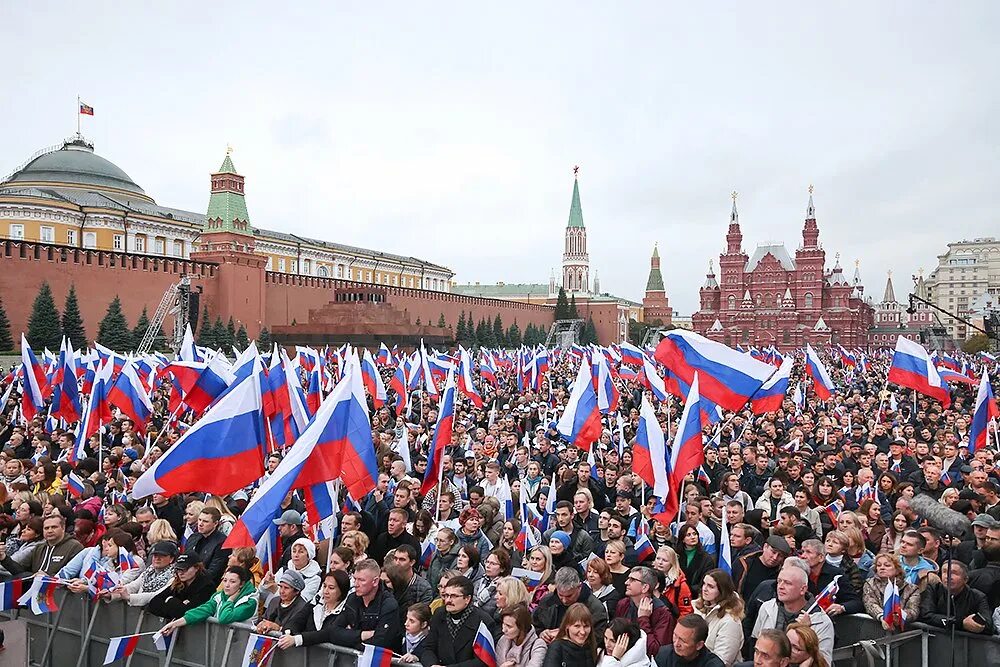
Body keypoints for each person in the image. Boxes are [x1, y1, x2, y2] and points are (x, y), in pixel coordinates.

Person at [287, 558, 401, 650]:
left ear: (375, 581)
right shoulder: (353, 598)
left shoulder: (389, 605)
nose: (356, 584)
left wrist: (349, 639)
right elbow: (333, 631)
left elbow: (379, 643)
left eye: (361, 580)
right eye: (355, 579)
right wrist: (362, 635)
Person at [751, 564, 834, 666]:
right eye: (779, 581)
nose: (780, 586)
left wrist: (806, 631)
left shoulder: (822, 621)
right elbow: (755, 642)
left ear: (803, 589)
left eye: (787, 583)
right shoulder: (767, 608)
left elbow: (823, 663)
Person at [421, 574, 498, 667]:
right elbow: (428, 647)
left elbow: (483, 661)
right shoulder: (439, 614)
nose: (448, 600)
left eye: (453, 596)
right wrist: (432, 665)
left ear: (467, 599)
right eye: (446, 595)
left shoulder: (483, 622)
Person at [158, 566, 257, 636]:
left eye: (232, 582)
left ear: (242, 584)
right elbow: (202, 610)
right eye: (225, 580)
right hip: (220, 643)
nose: (226, 585)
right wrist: (174, 624)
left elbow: (225, 618)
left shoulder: (250, 601)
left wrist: (230, 600)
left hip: (240, 648)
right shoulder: (219, 595)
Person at [534, 567, 609, 645]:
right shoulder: (547, 601)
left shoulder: (595, 607)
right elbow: (535, 625)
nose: (564, 600)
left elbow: (597, 638)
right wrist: (542, 633)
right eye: (561, 595)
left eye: (569, 596)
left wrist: (566, 637)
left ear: (579, 587)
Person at [918, 559, 993, 633]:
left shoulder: (978, 597)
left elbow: (989, 625)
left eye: (954, 573)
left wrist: (978, 626)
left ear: (965, 579)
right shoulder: (933, 589)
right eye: (944, 572)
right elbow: (926, 615)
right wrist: (960, 623)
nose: (947, 576)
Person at [614, 565, 674, 657]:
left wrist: (643, 619)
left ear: (645, 587)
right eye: (628, 579)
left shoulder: (663, 614)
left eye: (632, 580)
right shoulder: (623, 604)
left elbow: (656, 651)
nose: (626, 582)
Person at [0, 513, 82, 576]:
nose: (49, 531)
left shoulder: (75, 547)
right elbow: (20, 571)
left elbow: (75, 575)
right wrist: (4, 558)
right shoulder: (39, 547)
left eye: (54, 527)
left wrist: (48, 578)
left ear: (63, 528)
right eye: (46, 528)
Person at [692, 569, 744, 667]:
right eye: (704, 584)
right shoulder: (696, 607)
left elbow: (723, 661)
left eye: (711, 586)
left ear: (722, 591)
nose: (704, 589)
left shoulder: (731, 622)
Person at [146, 552, 216, 619]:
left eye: (185, 569)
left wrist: (170, 600)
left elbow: (186, 613)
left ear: (196, 568)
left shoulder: (207, 586)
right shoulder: (178, 583)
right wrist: (175, 607)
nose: (180, 573)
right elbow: (153, 603)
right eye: (178, 569)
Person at [862, 554, 920, 630]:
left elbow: (913, 610)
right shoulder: (869, 584)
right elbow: (870, 604)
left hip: (903, 631)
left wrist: (899, 616)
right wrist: (883, 617)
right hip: (875, 629)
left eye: (887, 565)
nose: (882, 568)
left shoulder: (912, 589)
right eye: (879, 565)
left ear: (897, 569)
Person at [653, 614, 725, 667]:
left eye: (683, 640)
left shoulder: (713, 665)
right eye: (675, 635)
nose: (676, 644)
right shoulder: (664, 654)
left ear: (699, 645)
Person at [541, 602, 599, 667]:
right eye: (577, 626)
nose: (582, 632)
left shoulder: (591, 647)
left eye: (586, 626)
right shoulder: (557, 647)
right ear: (567, 626)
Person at [256, 570, 312, 635]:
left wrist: (278, 628)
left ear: (297, 591)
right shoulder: (274, 601)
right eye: (280, 586)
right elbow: (263, 619)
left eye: (286, 588)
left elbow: (296, 631)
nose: (282, 591)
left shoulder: (302, 608)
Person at [184, 507, 231, 583]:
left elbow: (214, 571)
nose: (200, 524)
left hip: (207, 584)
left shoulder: (222, 542)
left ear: (215, 523)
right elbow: (185, 559)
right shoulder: (193, 537)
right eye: (199, 520)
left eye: (205, 521)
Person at [496, 602, 546, 667]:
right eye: (503, 624)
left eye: (509, 626)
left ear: (521, 628)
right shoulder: (503, 640)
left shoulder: (538, 646)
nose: (503, 630)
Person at [678, 523, 713, 598]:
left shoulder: (706, 558)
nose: (693, 537)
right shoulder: (676, 555)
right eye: (688, 535)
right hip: (678, 593)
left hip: (695, 595)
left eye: (694, 534)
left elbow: (704, 580)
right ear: (683, 539)